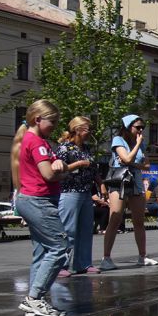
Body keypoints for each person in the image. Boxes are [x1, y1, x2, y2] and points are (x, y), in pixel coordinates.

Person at [15, 101, 71, 316]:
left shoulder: (35, 140)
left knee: (42, 251)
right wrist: (64, 170)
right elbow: (48, 174)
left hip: (32, 200)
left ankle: (34, 301)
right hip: (39, 200)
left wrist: (61, 166)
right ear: (38, 119)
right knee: (59, 248)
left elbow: (54, 167)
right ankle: (34, 298)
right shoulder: (37, 142)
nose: (55, 126)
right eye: (52, 122)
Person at [100, 114, 158, 270]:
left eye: (143, 127)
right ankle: (106, 257)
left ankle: (142, 256)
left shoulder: (141, 143)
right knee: (115, 217)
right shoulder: (118, 140)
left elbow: (146, 165)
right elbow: (126, 159)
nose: (141, 130)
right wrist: (136, 147)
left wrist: (133, 162)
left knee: (139, 220)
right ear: (128, 127)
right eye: (138, 127)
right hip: (119, 181)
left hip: (136, 181)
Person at [54, 116, 100, 275]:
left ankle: (83, 263)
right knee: (68, 230)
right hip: (69, 192)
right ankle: (61, 265)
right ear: (78, 130)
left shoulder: (86, 148)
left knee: (86, 229)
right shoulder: (64, 148)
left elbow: (93, 169)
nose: (90, 132)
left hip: (85, 192)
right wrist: (79, 164)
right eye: (88, 129)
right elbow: (59, 169)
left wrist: (100, 184)